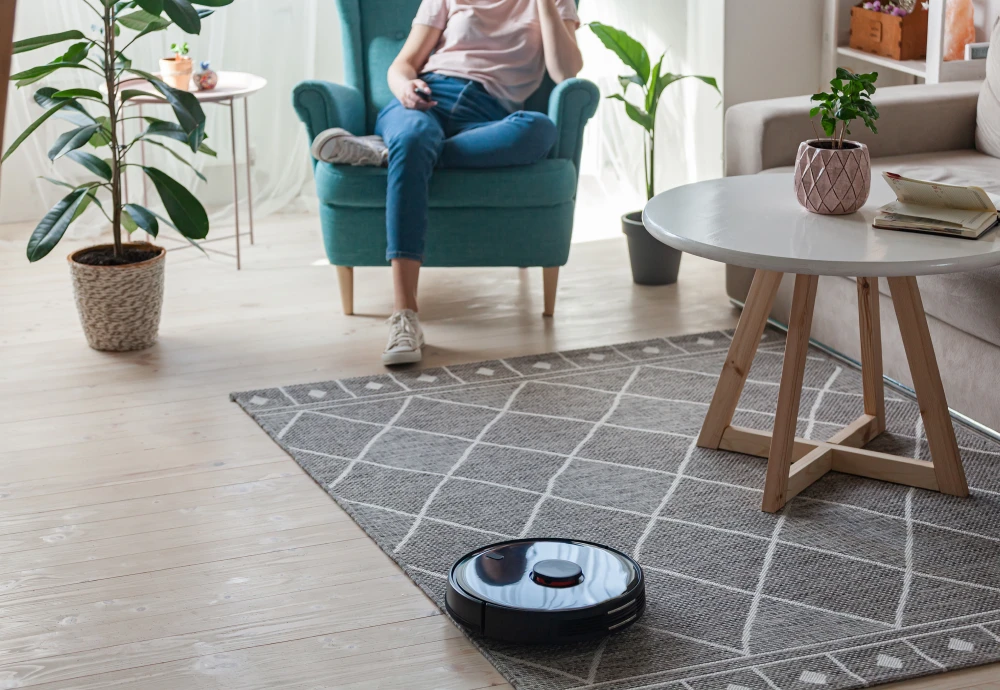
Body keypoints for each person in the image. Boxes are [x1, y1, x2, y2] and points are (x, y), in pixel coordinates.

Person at [311, 0, 584, 365]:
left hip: (486, 118)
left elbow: (566, 72)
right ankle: (405, 315)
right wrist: (406, 88)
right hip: (426, 102)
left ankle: (390, 156)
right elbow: (401, 65)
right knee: (413, 138)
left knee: (539, 130)